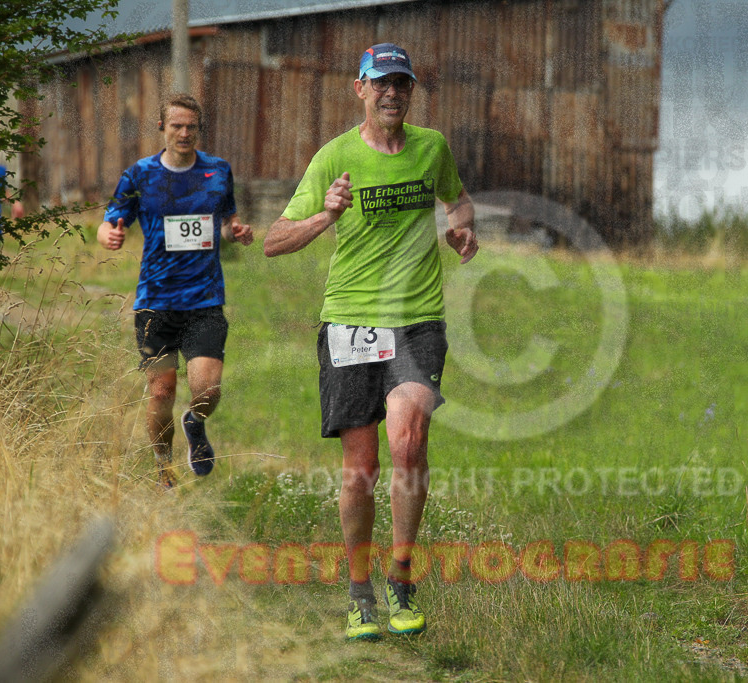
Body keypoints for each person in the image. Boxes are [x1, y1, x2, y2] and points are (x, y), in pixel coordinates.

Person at [264, 43, 478, 640]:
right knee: (360, 469)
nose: (392, 93)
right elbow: (274, 240)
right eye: (380, 83)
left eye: (402, 84)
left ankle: (402, 577)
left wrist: (462, 228)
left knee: (407, 442)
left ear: (411, 92)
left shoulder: (432, 148)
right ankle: (360, 592)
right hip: (350, 322)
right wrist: (325, 217)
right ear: (359, 89)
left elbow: (455, 197)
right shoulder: (333, 157)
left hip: (417, 319)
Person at [97, 93, 254, 490]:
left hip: (204, 300)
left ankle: (195, 423)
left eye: (191, 127)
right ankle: (163, 466)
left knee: (207, 388)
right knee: (162, 392)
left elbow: (227, 220)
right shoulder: (139, 175)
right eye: (176, 126)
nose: (184, 133)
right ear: (162, 129)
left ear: (199, 130)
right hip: (155, 303)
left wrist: (236, 231)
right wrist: (108, 235)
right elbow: (110, 220)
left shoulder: (218, 171)